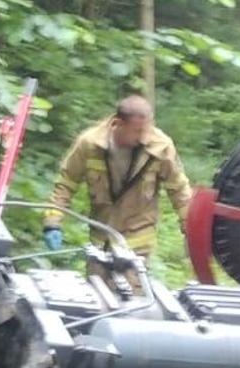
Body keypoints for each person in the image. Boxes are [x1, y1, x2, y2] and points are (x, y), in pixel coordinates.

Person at [42, 95, 193, 257]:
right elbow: (66, 184)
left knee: (132, 283)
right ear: (118, 124)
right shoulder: (90, 144)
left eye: (146, 130)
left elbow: (179, 190)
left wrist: (190, 231)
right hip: (100, 242)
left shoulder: (160, 147)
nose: (143, 137)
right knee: (97, 283)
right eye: (137, 131)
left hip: (137, 247)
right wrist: (52, 223)